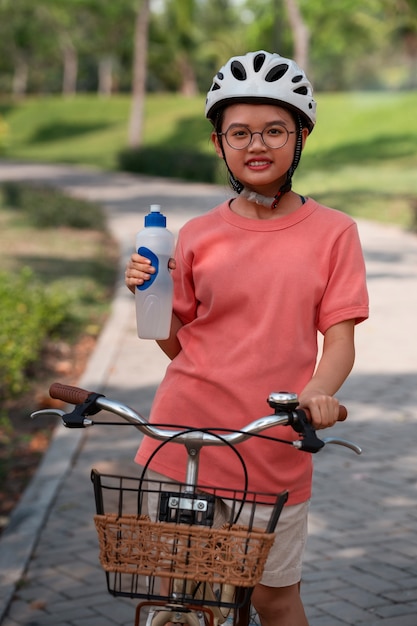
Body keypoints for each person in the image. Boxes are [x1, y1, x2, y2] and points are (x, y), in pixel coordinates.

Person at [125, 51, 369, 626]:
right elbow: (177, 342)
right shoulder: (197, 234)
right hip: (183, 440)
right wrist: (148, 296)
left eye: (274, 130)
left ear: (300, 136)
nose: (256, 145)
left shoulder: (334, 233)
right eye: (239, 132)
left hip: (273, 445)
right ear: (219, 144)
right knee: (185, 598)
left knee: (274, 599)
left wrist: (318, 395)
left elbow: (339, 339)